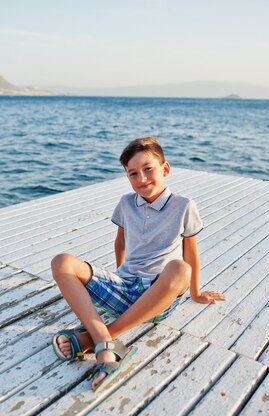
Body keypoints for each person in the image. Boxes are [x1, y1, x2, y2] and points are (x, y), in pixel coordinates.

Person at [50, 137, 226, 391]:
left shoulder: (184, 205)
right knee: (62, 262)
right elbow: (120, 243)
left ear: (165, 169)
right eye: (133, 174)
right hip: (125, 286)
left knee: (180, 268)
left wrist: (196, 293)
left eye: (148, 169)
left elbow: (191, 254)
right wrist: (119, 276)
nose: (141, 178)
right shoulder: (125, 203)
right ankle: (105, 345)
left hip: (158, 296)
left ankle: (99, 339)